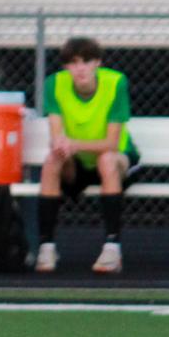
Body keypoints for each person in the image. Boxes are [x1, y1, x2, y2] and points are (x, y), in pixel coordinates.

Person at [34, 36, 139, 274]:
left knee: (107, 160)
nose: (80, 68)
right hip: (76, 162)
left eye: (86, 61)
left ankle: (112, 248)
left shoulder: (116, 83)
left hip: (116, 158)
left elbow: (112, 143)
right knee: (52, 160)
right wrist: (62, 145)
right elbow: (56, 135)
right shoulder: (55, 84)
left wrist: (74, 144)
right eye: (73, 62)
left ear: (98, 63)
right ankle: (47, 246)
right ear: (66, 67)